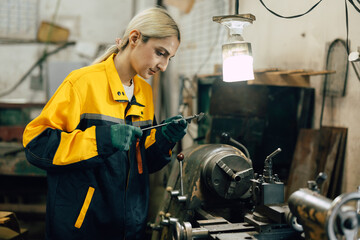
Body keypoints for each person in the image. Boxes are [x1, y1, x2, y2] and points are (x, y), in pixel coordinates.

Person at [22, 7, 187, 240]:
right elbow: (36, 145)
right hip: (82, 227)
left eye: (169, 57)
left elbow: (144, 164)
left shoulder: (145, 93)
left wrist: (164, 139)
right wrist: (101, 140)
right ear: (135, 38)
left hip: (130, 226)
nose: (164, 65)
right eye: (160, 53)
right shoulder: (82, 83)